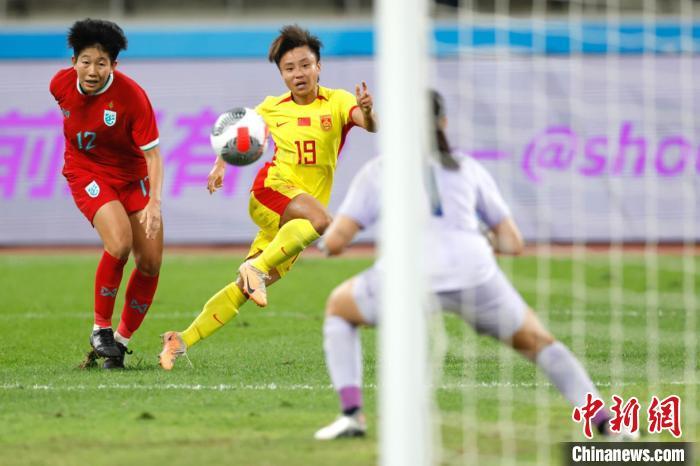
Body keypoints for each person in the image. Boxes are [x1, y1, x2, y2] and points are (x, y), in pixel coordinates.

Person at [312, 90, 622, 440]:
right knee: (539, 341)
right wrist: (477, 240)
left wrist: (322, 242)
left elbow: (337, 242)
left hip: (406, 278)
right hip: (473, 273)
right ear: (443, 123)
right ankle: (606, 423)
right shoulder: (468, 168)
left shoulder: (379, 171)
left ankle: (352, 415)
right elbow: (512, 243)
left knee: (340, 307)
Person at [158, 25, 376, 369]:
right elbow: (236, 134)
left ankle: (181, 340)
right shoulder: (272, 108)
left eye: (305, 65)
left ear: (318, 66)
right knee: (323, 222)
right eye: (289, 69)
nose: (298, 73)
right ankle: (255, 267)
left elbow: (370, 123)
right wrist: (220, 165)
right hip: (270, 193)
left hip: (296, 218)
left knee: (244, 289)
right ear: (281, 74)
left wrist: (369, 109)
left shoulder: (338, 102)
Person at [50, 19, 163, 369]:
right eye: (85, 61)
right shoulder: (60, 85)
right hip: (87, 172)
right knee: (119, 242)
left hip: (134, 179)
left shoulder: (132, 97)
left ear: (114, 65)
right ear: (74, 62)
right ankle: (101, 328)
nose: (92, 70)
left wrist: (154, 203)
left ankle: (118, 343)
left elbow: (153, 155)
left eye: (101, 63)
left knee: (150, 261)